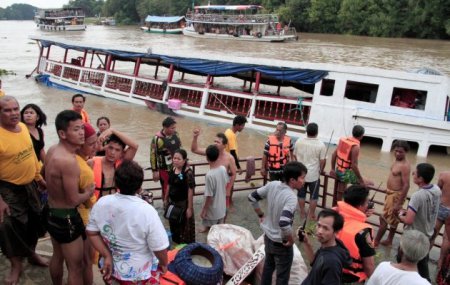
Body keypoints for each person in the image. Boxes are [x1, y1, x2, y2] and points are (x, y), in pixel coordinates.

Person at [87, 160, 169, 284]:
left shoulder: (102, 203)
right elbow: (159, 247)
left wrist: (107, 254)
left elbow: (91, 232)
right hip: (139, 273)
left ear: (116, 182)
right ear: (139, 187)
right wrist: (164, 264)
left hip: (109, 268)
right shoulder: (146, 210)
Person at [0, 96, 48, 285]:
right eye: (7, 110)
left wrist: (39, 178)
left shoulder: (22, 129)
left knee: (35, 221)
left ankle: (31, 253)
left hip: (30, 185)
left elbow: (32, 156)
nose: (13, 113)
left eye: (15, 109)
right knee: (8, 226)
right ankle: (15, 264)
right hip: (7, 188)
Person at [44, 110, 95, 285]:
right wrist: (89, 192)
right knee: (76, 266)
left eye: (82, 128)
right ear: (62, 133)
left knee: (57, 256)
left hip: (51, 212)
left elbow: (44, 177)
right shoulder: (69, 161)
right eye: (76, 129)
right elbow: (74, 200)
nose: (81, 133)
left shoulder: (52, 151)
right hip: (66, 218)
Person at [248, 161, 307, 284]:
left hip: (268, 237)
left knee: (268, 268)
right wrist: (291, 239)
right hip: (281, 243)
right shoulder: (291, 197)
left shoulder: (273, 184)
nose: (304, 181)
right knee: (282, 276)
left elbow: (252, 197)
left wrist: (260, 214)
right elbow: (284, 223)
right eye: (302, 177)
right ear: (292, 180)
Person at [398, 163, 441, 281]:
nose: (412, 174)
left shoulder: (417, 196)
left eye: (415, 173)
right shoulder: (436, 189)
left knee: (403, 259)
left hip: (414, 236)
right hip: (427, 233)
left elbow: (409, 220)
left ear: (420, 179)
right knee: (423, 261)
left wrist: (400, 215)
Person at [334, 185, 376, 283]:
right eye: (366, 202)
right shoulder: (363, 231)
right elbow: (369, 267)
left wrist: (361, 215)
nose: (367, 205)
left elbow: (348, 220)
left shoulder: (331, 216)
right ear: (361, 206)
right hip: (351, 278)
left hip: (331, 270)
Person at [300, 209, 352, 285]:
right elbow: (314, 262)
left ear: (336, 232)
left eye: (325, 228)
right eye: (319, 225)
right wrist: (306, 242)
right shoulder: (330, 245)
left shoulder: (332, 262)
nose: (320, 231)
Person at [374, 140, 411, 247]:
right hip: (390, 193)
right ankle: (389, 240)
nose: (398, 154)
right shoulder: (396, 161)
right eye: (396, 151)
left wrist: (399, 203)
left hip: (396, 196)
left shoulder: (405, 165)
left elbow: (406, 185)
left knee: (383, 218)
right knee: (394, 220)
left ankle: (376, 242)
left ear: (406, 152)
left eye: (400, 152)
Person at [191, 129, 236, 209]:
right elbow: (194, 150)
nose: (215, 143)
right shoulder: (210, 151)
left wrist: (228, 189)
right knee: (210, 207)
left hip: (223, 187)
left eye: (218, 142)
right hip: (212, 185)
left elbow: (233, 174)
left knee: (224, 210)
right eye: (214, 141)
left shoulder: (230, 158)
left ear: (225, 145)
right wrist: (195, 137)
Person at [76, 123, 98, 285]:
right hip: (81, 218)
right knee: (87, 263)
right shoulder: (84, 170)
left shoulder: (57, 153)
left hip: (59, 214)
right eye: (91, 144)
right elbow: (90, 202)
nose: (96, 147)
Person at [92, 128, 139, 198]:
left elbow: (135, 146)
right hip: (96, 204)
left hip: (115, 204)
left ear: (122, 153)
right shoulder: (92, 162)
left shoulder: (122, 163)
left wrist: (113, 130)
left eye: (117, 150)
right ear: (105, 147)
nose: (112, 152)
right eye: (110, 148)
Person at [330, 125, 373, 201]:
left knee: (340, 191)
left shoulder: (343, 140)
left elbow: (334, 155)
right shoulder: (356, 147)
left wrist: (332, 169)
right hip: (346, 174)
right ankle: (356, 202)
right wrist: (361, 180)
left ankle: (339, 205)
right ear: (362, 135)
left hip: (338, 170)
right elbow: (354, 166)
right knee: (370, 183)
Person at [294, 122, 326, 220]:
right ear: (317, 132)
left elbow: (294, 155)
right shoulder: (321, 145)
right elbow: (322, 161)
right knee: (314, 196)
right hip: (314, 175)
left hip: (300, 174)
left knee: (301, 194)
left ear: (306, 131)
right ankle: (311, 214)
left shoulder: (299, 141)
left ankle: (302, 212)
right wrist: (321, 170)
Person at [166, 149, 196, 244]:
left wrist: (189, 208)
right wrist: (166, 198)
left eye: (178, 159)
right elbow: (169, 184)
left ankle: (185, 245)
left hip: (183, 204)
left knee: (183, 225)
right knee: (174, 222)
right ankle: (176, 241)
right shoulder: (172, 169)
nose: (175, 160)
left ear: (184, 160)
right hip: (173, 202)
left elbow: (190, 190)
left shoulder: (188, 173)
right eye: (174, 158)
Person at [150, 116, 182, 199]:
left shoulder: (176, 135)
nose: (174, 130)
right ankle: (166, 205)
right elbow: (153, 155)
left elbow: (180, 148)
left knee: (178, 186)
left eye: (175, 128)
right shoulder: (157, 139)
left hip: (177, 167)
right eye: (172, 128)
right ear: (165, 127)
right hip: (164, 169)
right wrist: (154, 170)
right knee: (166, 188)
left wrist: (185, 161)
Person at [200, 145, 229, 233]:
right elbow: (226, 183)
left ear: (207, 158)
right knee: (219, 231)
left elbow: (209, 196)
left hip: (212, 211)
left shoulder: (209, 175)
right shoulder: (223, 169)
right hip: (221, 208)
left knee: (211, 232)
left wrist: (204, 210)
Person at [434, 171, 450, 272]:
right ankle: (440, 262)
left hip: (441, 206)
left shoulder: (444, 175)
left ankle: (423, 256)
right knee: (447, 238)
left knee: (433, 233)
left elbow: (436, 190)